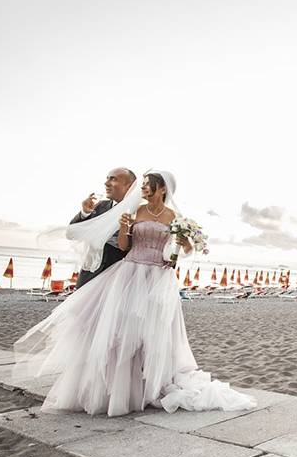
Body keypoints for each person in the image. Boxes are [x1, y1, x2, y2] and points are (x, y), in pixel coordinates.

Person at [14, 171, 256, 417]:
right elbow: (123, 246)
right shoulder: (136, 211)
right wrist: (123, 228)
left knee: (153, 333)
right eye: (144, 185)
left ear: (163, 189)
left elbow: (182, 250)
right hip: (129, 273)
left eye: (150, 185)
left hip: (158, 278)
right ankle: (120, 391)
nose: (145, 189)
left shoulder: (175, 217)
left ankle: (147, 386)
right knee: (122, 331)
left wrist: (181, 245)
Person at [71, 167, 137, 289]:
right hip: (89, 275)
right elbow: (72, 233)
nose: (106, 183)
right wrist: (85, 213)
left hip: (117, 277)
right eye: (107, 178)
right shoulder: (100, 206)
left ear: (129, 186)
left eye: (113, 179)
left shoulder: (138, 211)